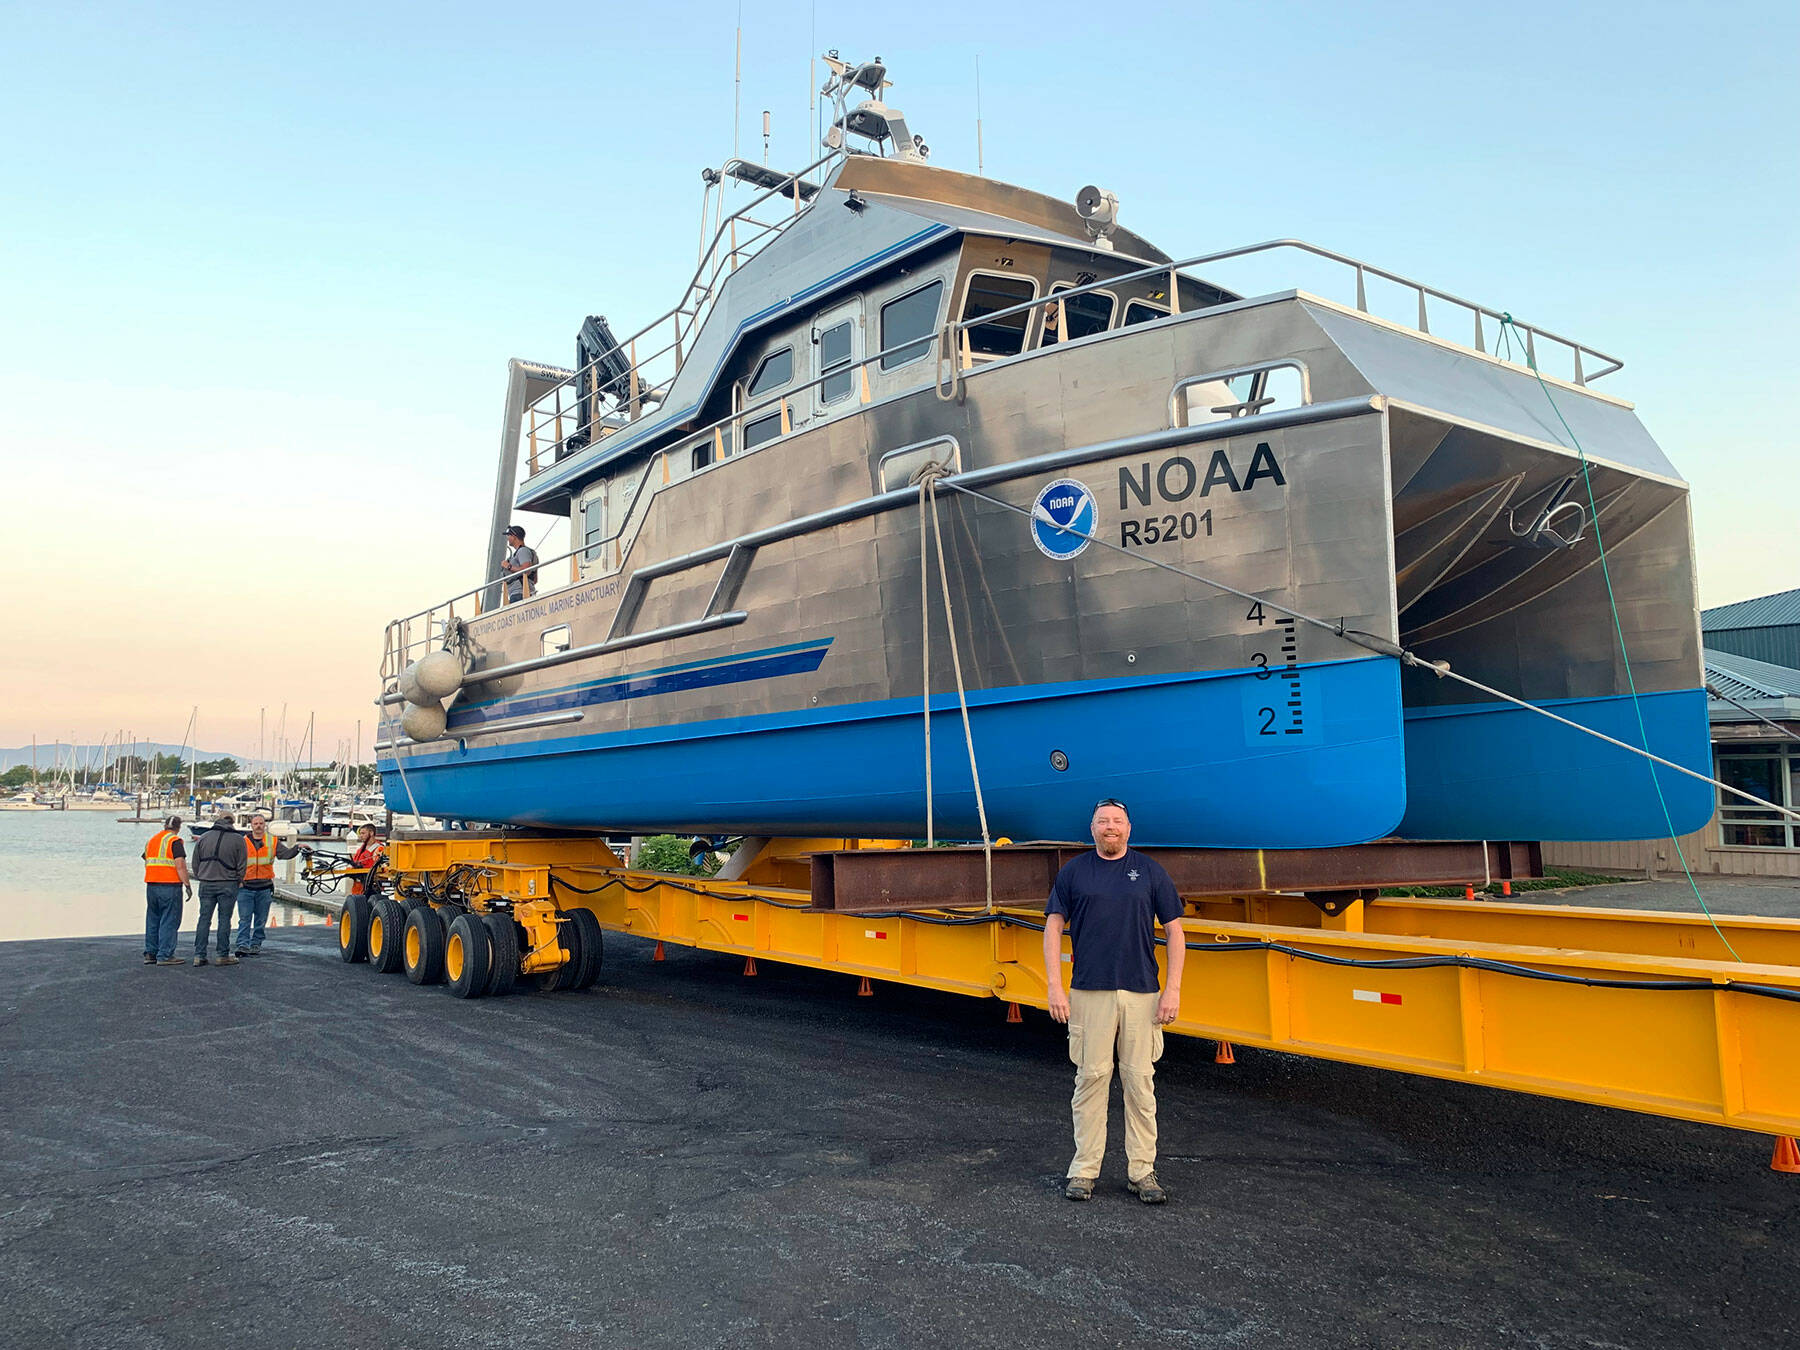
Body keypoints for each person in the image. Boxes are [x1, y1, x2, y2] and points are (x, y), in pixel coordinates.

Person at [1043, 798, 1186, 1204]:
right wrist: (1055, 986)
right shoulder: (1074, 873)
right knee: (1091, 1080)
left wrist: (1172, 990)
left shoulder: (1151, 872)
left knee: (1141, 1085)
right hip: (1090, 991)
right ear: (1092, 829)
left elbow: (1175, 932)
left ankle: (1142, 1172)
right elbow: (1053, 928)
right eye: (1103, 821)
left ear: (1129, 828)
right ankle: (1084, 1170)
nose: (1111, 827)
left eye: (1117, 821)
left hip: (1143, 993)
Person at [234, 814, 301, 955]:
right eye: (256, 823)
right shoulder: (242, 842)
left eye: (261, 823)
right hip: (245, 886)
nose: (258, 826)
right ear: (251, 826)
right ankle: (242, 945)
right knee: (244, 919)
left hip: (264, 887)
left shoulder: (272, 841)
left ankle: (255, 944)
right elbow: (233, 862)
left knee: (260, 920)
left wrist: (298, 848)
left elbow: (285, 854)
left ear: (265, 825)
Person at [189, 810, 248, 966]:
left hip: (206, 883)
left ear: (217, 820)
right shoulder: (238, 839)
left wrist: (202, 875)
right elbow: (242, 865)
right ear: (232, 822)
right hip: (228, 884)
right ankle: (222, 954)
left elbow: (195, 863)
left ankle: (199, 955)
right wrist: (239, 880)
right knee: (224, 919)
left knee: (204, 919)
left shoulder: (204, 838)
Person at [141, 816, 191, 966]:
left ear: (164, 825)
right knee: (170, 919)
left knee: (153, 919)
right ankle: (165, 954)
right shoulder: (174, 841)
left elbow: (146, 858)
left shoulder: (152, 840)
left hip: (152, 885)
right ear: (178, 827)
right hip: (170, 885)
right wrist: (187, 884)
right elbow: (180, 865)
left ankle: (151, 953)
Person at [500, 524, 538, 604]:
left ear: (514, 536)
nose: (508, 538)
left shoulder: (523, 551)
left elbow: (526, 571)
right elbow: (534, 580)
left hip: (519, 594)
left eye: (509, 536)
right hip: (521, 593)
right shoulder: (525, 552)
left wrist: (508, 566)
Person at [349, 823, 385, 897]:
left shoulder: (379, 849)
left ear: (371, 833)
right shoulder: (361, 849)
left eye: (363, 833)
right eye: (360, 833)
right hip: (358, 886)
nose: (361, 836)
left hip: (370, 887)